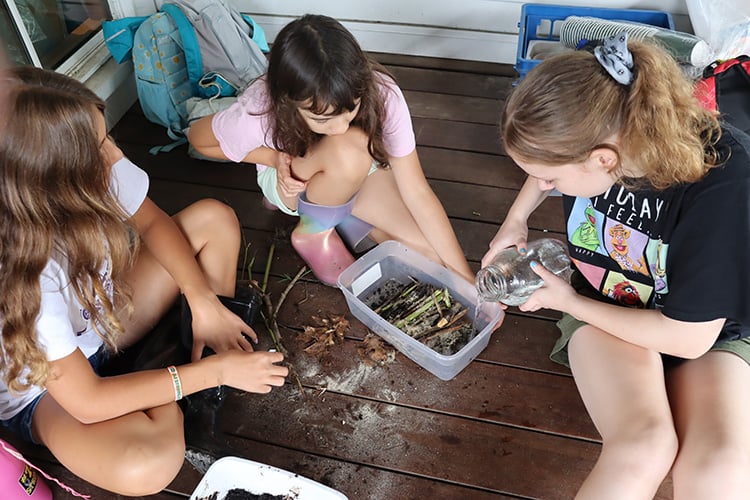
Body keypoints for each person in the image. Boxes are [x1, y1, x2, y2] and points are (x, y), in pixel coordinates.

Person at [484, 33, 750, 499]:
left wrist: (566, 302)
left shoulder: (725, 183)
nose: (542, 184)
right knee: (643, 446)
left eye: (551, 178)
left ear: (602, 159)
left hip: (709, 332)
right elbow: (548, 157)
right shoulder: (606, 116)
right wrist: (515, 219)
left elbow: (690, 339)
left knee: (719, 468)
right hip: (607, 299)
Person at [0, 67, 289, 496]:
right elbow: (87, 400)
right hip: (47, 392)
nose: (114, 154)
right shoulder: (25, 273)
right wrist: (214, 372)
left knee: (214, 220)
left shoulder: (92, 165)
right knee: (145, 466)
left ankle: (172, 372)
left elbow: (153, 222)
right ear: (61, 177)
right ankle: (179, 377)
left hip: (100, 322)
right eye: (102, 145)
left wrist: (202, 298)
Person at [188, 14, 473, 285]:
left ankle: (342, 211)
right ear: (288, 102)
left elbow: (417, 191)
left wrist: (467, 279)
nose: (339, 127)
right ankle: (315, 231)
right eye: (322, 119)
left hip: (362, 167)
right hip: (295, 178)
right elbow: (199, 139)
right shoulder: (261, 108)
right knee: (349, 149)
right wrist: (274, 158)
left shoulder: (382, 92)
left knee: (430, 258)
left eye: (351, 111)